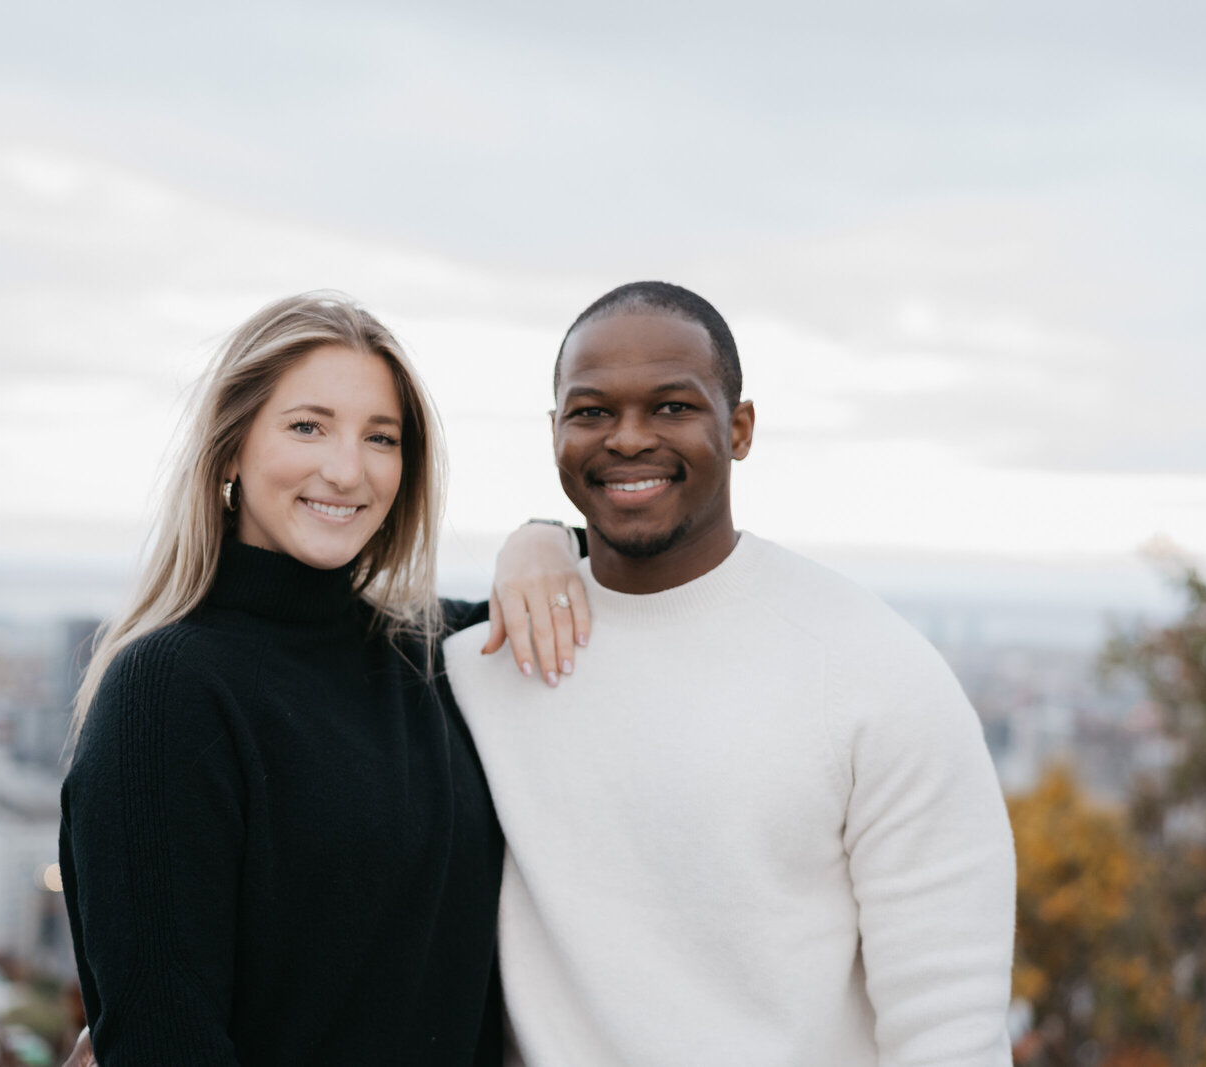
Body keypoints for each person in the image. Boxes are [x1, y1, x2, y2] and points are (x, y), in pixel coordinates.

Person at [444, 281, 1018, 1065]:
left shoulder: (873, 672)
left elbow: (948, 1025)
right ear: (554, 433)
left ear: (739, 428)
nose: (628, 438)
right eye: (592, 411)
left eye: (673, 406)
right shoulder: (481, 665)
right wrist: (537, 535)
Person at [58, 292, 585, 1065]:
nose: (346, 470)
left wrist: (544, 539)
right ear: (232, 448)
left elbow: (632, 569)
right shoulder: (165, 693)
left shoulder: (432, 656)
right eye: (308, 425)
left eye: (381, 436)